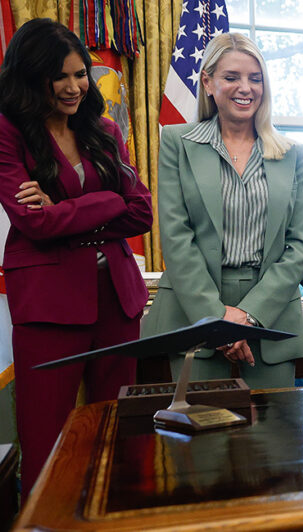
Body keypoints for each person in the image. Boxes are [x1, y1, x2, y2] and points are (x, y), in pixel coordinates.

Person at [0, 18, 152, 493]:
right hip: (49, 304)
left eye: (80, 74)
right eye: (59, 77)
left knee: (122, 433)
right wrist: (108, 202)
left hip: (118, 299)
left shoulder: (104, 129)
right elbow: (34, 224)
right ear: (32, 78)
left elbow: (142, 211)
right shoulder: (8, 132)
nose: (74, 87)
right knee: (46, 441)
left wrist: (66, 209)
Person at [143, 33, 303, 389]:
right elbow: (176, 237)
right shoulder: (177, 143)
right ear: (207, 82)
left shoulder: (293, 154)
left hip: (270, 312)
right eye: (232, 77)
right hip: (195, 310)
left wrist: (249, 316)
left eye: (255, 78)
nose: (245, 88)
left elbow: (299, 245)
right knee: (203, 424)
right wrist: (216, 318)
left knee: (275, 426)